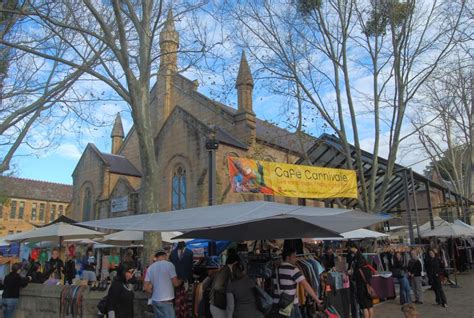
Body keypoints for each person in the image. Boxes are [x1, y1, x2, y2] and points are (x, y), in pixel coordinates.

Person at [273, 248, 321, 318]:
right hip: (290, 305)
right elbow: (305, 285)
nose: (296, 259)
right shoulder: (293, 269)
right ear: (287, 257)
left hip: (278, 303)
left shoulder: (276, 269)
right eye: (294, 257)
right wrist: (316, 299)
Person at [144, 249, 182, 318]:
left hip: (155, 301)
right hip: (166, 301)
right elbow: (176, 283)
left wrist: (155, 292)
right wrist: (181, 280)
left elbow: (146, 287)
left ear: (156, 257)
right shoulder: (170, 265)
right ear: (165, 256)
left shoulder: (150, 268)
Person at [210, 250, 240, 318]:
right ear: (235, 263)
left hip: (218, 305)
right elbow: (217, 287)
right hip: (217, 306)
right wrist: (229, 289)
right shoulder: (225, 271)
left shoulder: (227, 270)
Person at [169, 241, 194, 318]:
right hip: (175, 280)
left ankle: (185, 314)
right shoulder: (172, 253)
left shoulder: (190, 252)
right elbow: (171, 266)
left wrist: (188, 279)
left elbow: (191, 266)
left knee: (186, 300)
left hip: (186, 280)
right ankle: (177, 315)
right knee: (176, 300)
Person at [349, 243, 374, 318]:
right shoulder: (365, 262)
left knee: (364, 307)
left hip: (361, 287)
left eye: (350, 248)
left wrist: (350, 273)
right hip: (368, 286)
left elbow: (354, 277)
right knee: (370, 305)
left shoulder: (358, 265)